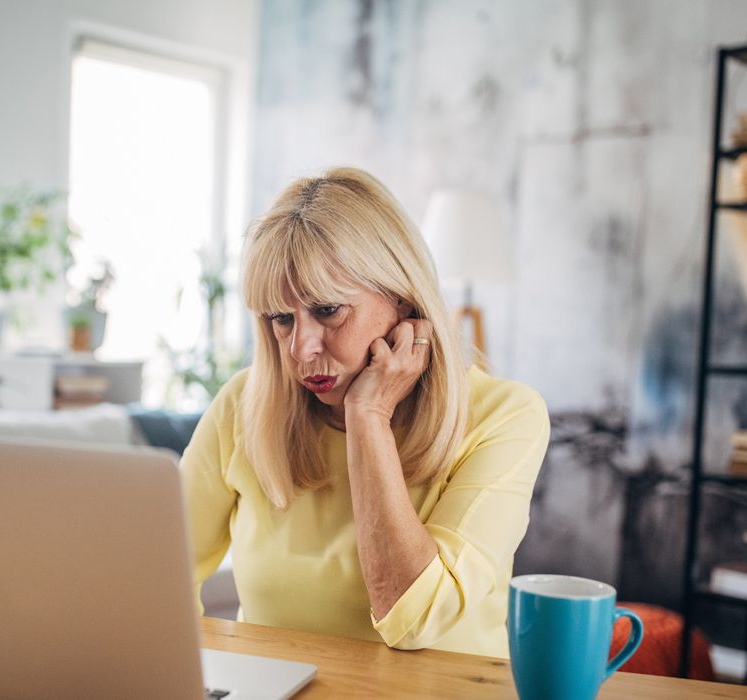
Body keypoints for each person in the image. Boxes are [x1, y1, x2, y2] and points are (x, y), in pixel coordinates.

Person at [180, 167, 550, 657]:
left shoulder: (504, 415)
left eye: (328, 310)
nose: (303, 347)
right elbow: (154, 579)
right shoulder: (243, 405)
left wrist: (369, 414)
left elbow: (415, 619)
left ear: (401, 296)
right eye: (282, 318)